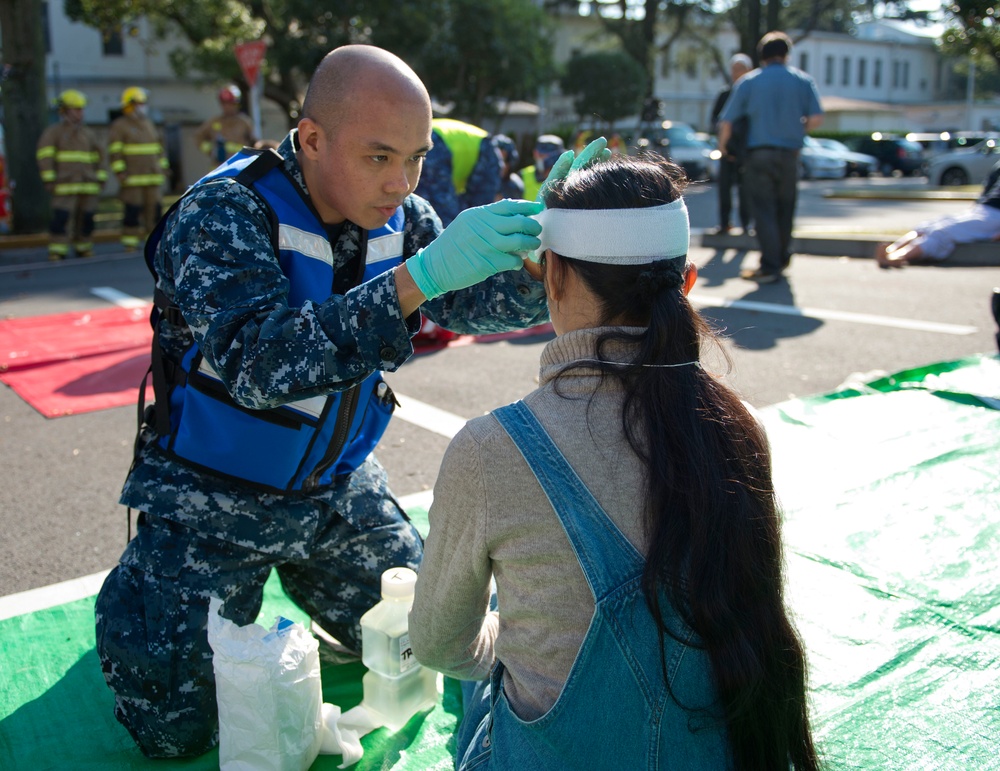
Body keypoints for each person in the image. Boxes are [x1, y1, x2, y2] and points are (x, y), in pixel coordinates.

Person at [93, 44, 606, 760]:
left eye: (418, 157)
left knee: (438, 636)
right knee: (173, 727)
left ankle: (302, 583)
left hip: (334, 489)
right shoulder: (223, 212)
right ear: (310, 138)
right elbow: (259, 364)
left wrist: (531, 261)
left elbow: (470, 299)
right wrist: (415, 279)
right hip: (213, 497)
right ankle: (141, 597)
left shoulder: (403, 212)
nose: (402, 182)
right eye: (378, 157)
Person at [410, 154, 819, 770]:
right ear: (686, 285)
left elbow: (440, 644)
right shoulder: (742, 429)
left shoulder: (492, 448)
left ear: (552, 276)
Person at [718, 31, 823, 283]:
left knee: (763, 209)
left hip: (759, 155)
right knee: (786, 207)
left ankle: (770, 264)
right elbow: (817, 118)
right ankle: (783, 257)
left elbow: (726, 122)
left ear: (761, 56)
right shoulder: (802, 80)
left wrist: (724, 149)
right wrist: (797, 130)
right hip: (790, 154)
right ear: (787, 54)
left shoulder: (749, 82)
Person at [874, 161, 1000, 268]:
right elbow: (987, 190)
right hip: (983, 208)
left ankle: (896, 257)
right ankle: (890, 250)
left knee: (942, 232)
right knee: (928, 226)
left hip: (995, 216)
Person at [35, 89, 107, 260]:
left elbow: (100, 156)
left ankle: (84, 246)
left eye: (81, 109)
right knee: (62, 217)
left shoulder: (88, 133)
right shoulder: (54, 132)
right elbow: (45, 156)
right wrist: (49, 179)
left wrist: (100, 177)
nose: (80, 113)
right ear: (64, 111)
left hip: (88, 184)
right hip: (64, 184)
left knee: (86, 218)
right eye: (76, 109)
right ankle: (58, 249)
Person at [108, 86, 170, 251]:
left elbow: (159, 149)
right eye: (139, 103)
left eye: (143, 103)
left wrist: (163, 168)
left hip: (153, 178)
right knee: (132, 210)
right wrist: (120, 171)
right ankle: (130, 242)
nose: (143, 106)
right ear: (129, 105)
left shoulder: (148, 124)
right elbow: (115, 151)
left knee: (155, 210)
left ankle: (155, 243)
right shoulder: (120, 125)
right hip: (132, 179)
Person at [414, 117, 502, 226]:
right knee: (447, 219)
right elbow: (480, 207)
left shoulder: (476, 138)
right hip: (437, 145)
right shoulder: (491, 152)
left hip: (419, 133)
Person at [710, 53, 753, 236]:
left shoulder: (752, 94)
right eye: (734, 69)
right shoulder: (725, 94)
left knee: (746, 190)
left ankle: (746, 225)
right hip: (726, 150)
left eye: (741, 69)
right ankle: (724, 223)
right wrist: (722, 143)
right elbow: (716, 121)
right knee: (724, 189)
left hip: (745, 151)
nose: (736, 73)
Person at [194, 85, 257, 165]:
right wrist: (210, 150)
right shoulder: (214, 122)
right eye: (224, 103)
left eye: (231, 103)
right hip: (219, 166)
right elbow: (198, 137)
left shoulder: (244, 122)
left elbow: (254, 143)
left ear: (236, 104)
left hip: (240, 165)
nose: (227, 107)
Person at [520, 134, 565, 201]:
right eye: (537, 154)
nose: (539, 158)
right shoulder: (523, 176)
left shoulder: (567, 178)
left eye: (542, 155)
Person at [493, 134, 524, 200]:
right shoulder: (478, 182)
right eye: (496, 160)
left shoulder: (514, 185)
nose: (500, 165)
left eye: (504, 160)